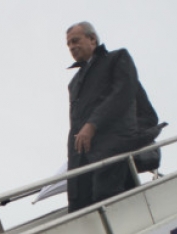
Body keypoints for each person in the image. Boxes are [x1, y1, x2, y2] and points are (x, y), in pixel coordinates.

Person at [65, 22, 161, 213]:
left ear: (92, 39)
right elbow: (76, 122)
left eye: (75, 41)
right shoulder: (74, 83)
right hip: (81, 157)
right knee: (81, 207)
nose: (71, 47)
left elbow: (124, 94)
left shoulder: (117, 59)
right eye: (68, 44)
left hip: (112, 148)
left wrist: (93, 124)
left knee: (109, 200)